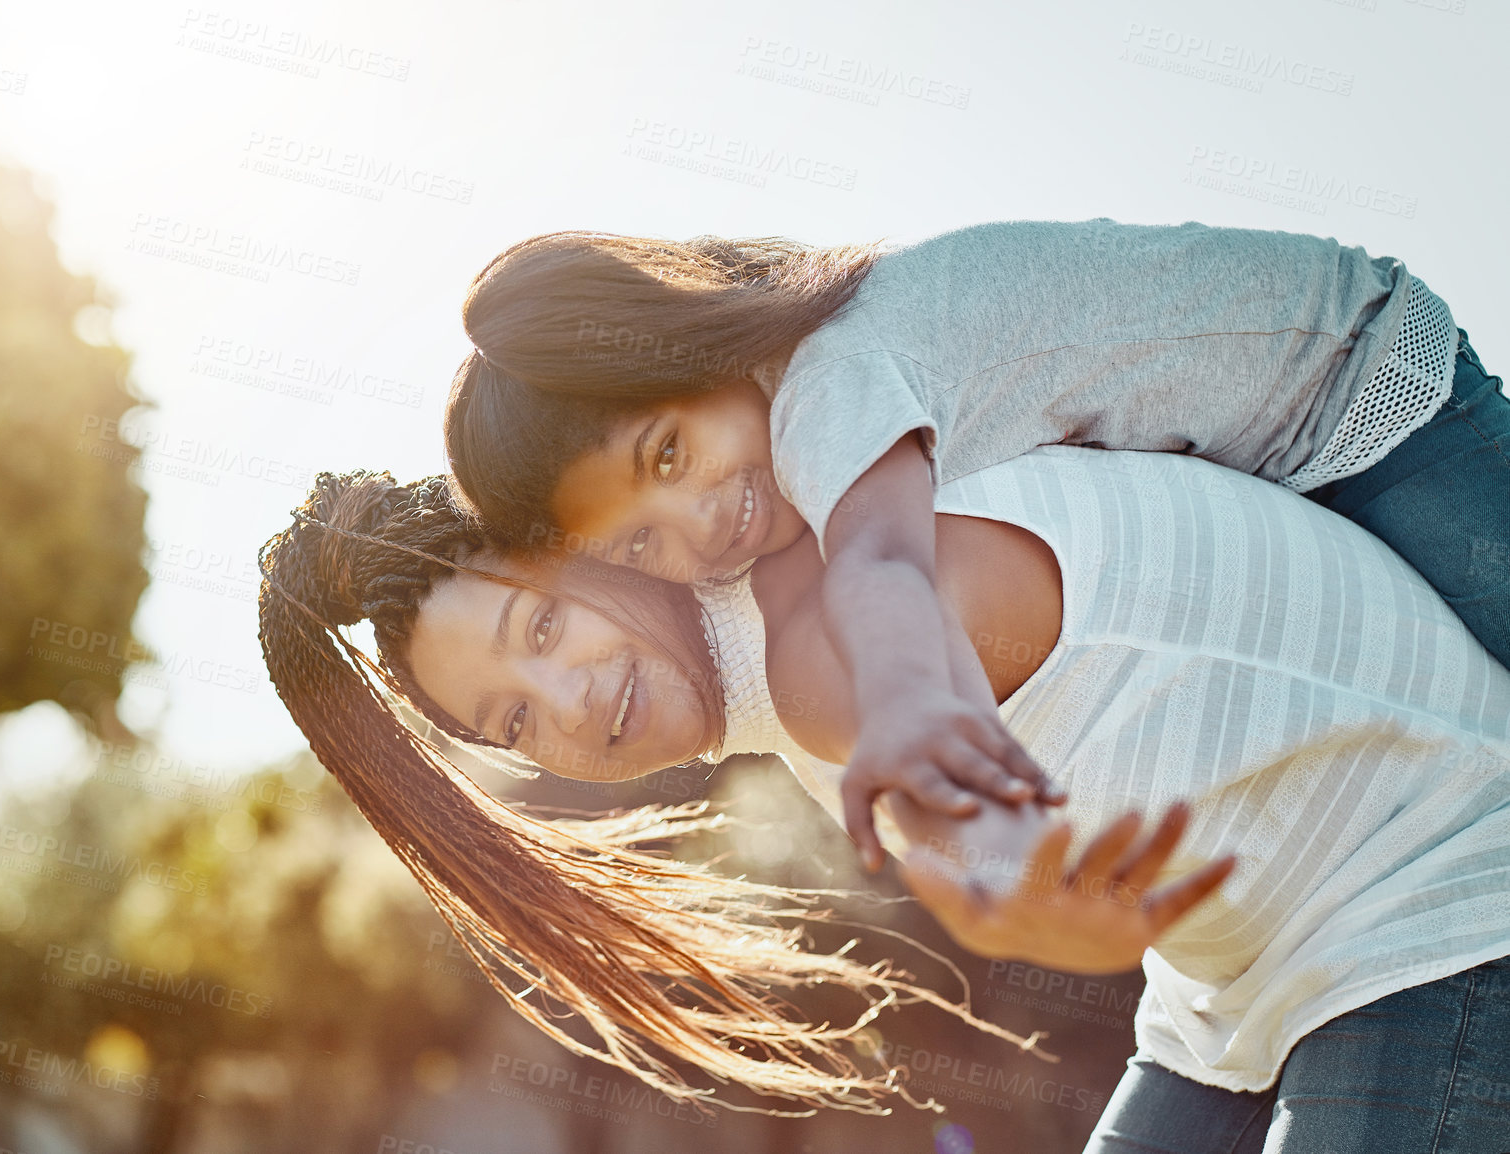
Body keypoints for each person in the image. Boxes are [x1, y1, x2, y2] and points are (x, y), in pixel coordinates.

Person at [263, 444, 1510, 1150]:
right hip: (1236, 986)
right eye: (515, 720)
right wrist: (1024, 910)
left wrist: (1013, 903)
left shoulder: (820, 628)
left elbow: (955, 809)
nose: (570, 701)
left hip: (1426, 890)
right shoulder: (783, 594)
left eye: (543, 623)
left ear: (587, 540)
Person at [441, 221, 1510, 876]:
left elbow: (881, 564)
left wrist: (912, 702)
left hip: (1359, 384)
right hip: (1268, 452)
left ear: (692, 337)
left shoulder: (829, 379)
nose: (698, 522)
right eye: (638, 538)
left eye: (669, 452)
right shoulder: (769, 482)